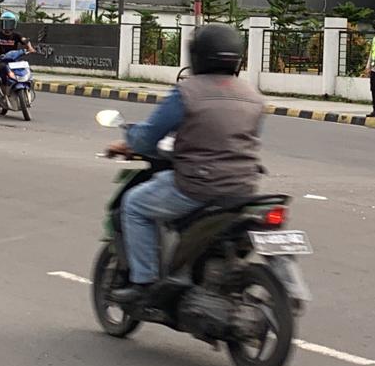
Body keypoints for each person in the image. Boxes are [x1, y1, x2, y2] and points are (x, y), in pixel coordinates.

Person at [106, 24, 265, 304]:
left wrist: (128, 139)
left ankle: (143, 283)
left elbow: (147, 137)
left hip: (196, 185)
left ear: (197, 56)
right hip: (244, 187)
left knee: (134, 204)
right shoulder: (253, 95)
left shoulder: (187, 91)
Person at [0, 11, 31, 92]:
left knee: (25, 68)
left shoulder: (16, 35)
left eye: (10, 23)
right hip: (1, 60)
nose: (7, 26)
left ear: (14, 24)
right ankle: (4, 91)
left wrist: (30, 48)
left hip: (13, 60)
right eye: (5, 22)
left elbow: (24, 40)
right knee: (4, 69)